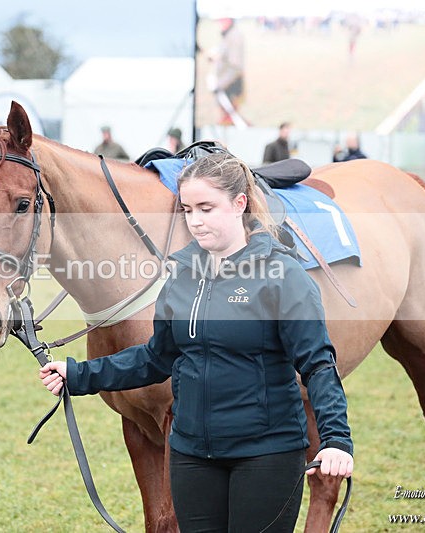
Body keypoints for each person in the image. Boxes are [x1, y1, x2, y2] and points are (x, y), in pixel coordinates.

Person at [39, 153, 353, 532]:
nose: (196, 221)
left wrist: (335, 440)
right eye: (188, 209)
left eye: (207, 208)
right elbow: (157, 358)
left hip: (267, 454)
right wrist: (78, 374)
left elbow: (318, 364)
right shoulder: (181, 276)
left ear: (240, 204)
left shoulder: (283, 275)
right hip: (192, 457)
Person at [208, 18, 248, 127]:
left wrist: (221, 83)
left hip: (230, 81)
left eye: (222, 21)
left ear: (229, 21)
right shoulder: (227, 36)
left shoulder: (234, 36)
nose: (220, 24)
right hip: (225, 80)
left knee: (232, 116)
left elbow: (235, 65)